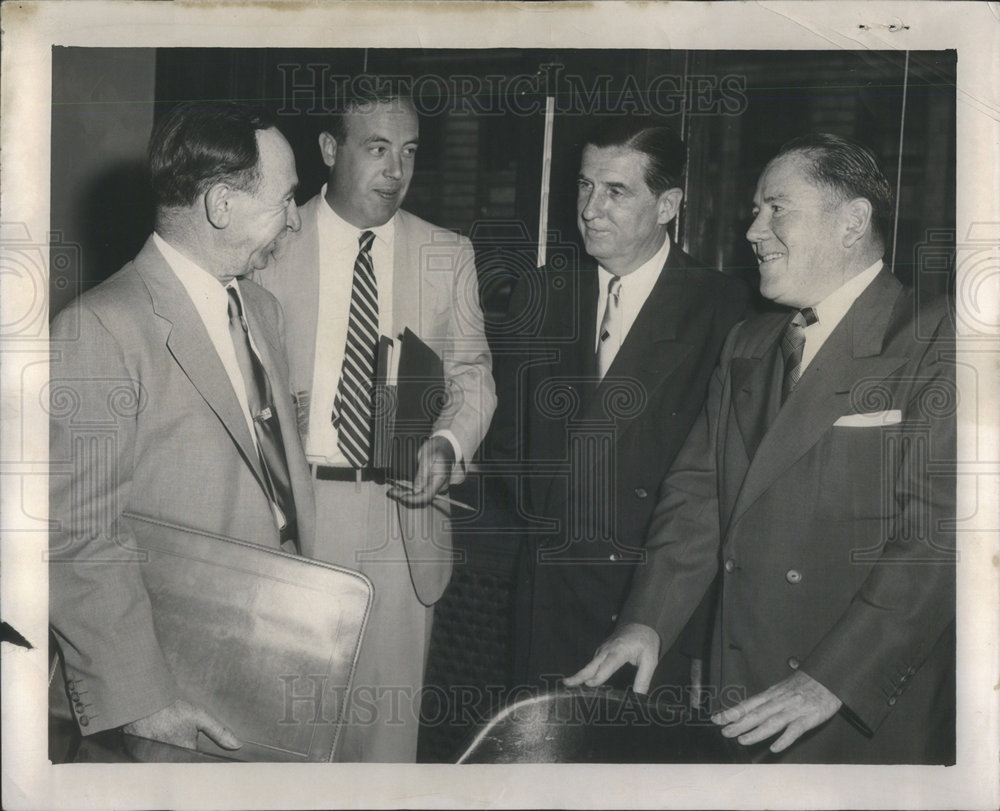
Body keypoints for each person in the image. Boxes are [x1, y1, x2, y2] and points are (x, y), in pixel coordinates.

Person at [566, 133, 956, 764]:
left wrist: (836, 676)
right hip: (744, 688)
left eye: (777, 209)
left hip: (857, 707)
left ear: (853, 222)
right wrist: (648, 619)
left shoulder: (936, 340)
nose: (752, 231)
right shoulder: (750, 341)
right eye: (754, 210)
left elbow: (939, 539)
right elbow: (698, 497)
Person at [49, 102, 313, 750]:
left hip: (262, 665)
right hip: (164, 694)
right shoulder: (100, 330)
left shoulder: (262, 309)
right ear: (221, 204)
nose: (296, 217)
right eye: (287, 198)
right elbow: (76, 536)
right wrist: (143, 703)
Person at [255, 81, 496, 762]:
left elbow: (474, 375)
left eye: (410, 152)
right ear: (331, 149)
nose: (396, 171)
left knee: (384, 747)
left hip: (401, 518)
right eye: (378, 149)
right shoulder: (271, 243)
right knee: (287, 738)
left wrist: (447, 446)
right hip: (294, 516)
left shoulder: (447, 252)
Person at [506, 117, 748, 692]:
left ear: (668, 205)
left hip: (647, 606)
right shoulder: (540, 292)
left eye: (616, 191)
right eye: (586, 186)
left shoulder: (723, 309)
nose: (591, 209)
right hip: (547, 595)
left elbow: (716, 481)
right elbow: (510, 444)